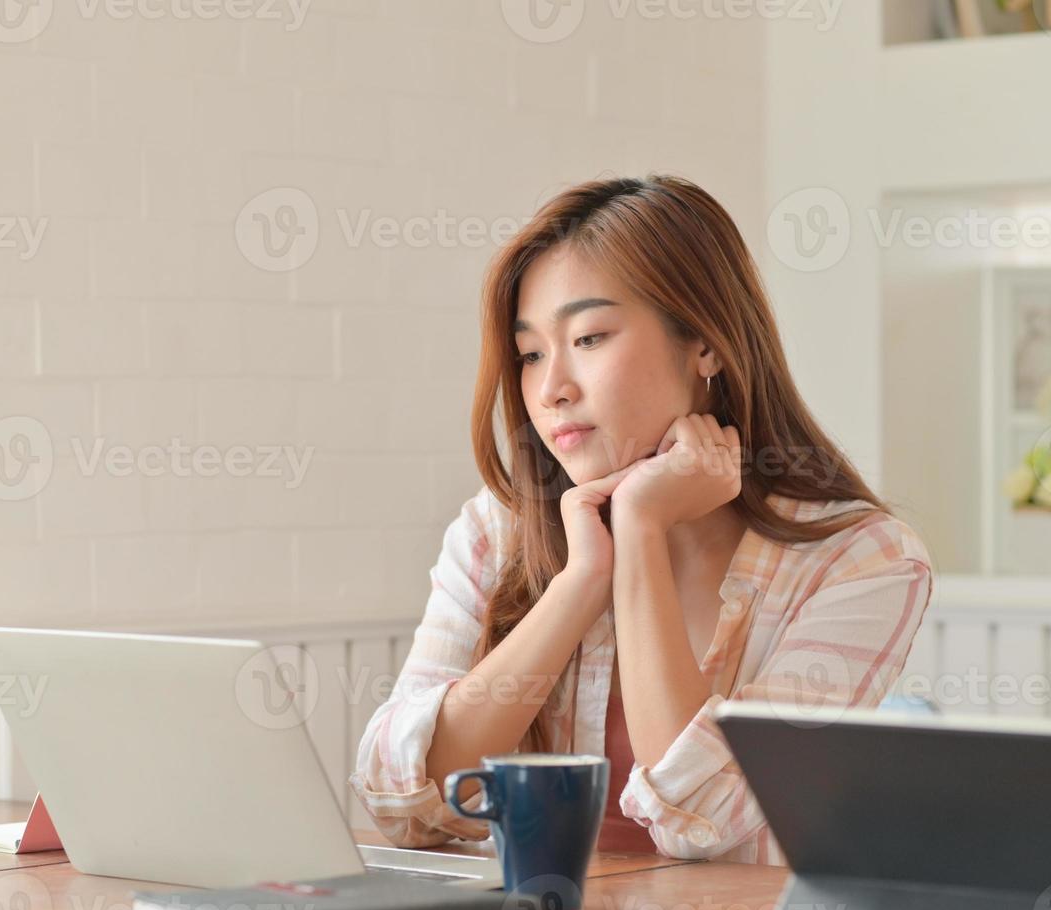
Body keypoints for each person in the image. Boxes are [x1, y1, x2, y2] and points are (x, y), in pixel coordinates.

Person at [348, 175, 935, 865]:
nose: (549, 389)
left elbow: (702, 821)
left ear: (706, 345)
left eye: (589, 337)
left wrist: (640, 527)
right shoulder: (494, 532)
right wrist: (580, 582)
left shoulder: (860, 558)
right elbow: (403, 802)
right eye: (530, 353)